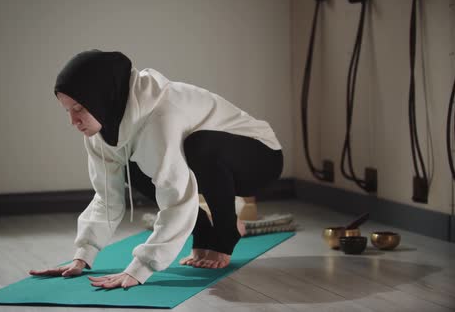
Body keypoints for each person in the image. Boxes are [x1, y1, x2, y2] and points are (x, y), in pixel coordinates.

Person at [29, 49, 283, 289]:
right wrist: (82, 256)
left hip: (260, 158)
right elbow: (107, 197)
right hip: (210, 166)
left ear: (101, 98)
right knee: (131, 164)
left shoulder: (161, 115)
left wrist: (140, 268)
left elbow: (176, 195)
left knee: (200, 145)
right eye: (67, 111)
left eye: (79, 109)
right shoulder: (100, 133)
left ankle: (227, 232)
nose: (72, 122)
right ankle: (204, 229)